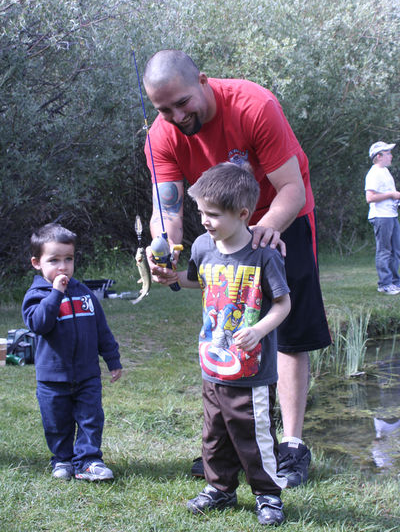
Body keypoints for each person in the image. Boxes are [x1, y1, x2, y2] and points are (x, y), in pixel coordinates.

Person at [143, 49, 331, 488]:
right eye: (163, 109)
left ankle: (292, 445)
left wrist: (263, 234)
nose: (175, 115)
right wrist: (166, 250)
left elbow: (291, 189)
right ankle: (238, 443)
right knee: (231, 326)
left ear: (203, 81)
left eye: (182, 103)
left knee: (287, 331)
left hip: (281, 216)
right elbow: (166, 210)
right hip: (224, 227)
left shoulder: (254, 105)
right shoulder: (161, 136)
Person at [162, 162, 290, 525]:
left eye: (213, 214)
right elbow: (195, 280)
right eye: (201, 211)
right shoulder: (203, 246)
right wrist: (173, 279)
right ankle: (220, 489)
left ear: (243, 214)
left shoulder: (263, 255)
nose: (203, 220)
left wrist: (260, 331)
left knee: (253, 435)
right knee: (214, 433)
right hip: (212, 364)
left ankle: (267, 495)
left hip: (251, 370)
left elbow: (284, 304)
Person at [22, 223, 122, 482]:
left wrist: (112, 360)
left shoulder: (84, 293)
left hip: (87, 375)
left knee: (91, 419)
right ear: (37, 263)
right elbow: (40, 323)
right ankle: (62, 459)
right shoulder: (36, 295)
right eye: (54, 260)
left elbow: (101, 330)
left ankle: (89, 461)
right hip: (52, 379)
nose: (63, 266)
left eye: (68, 259)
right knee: (57, 424)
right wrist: (56, 293)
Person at [365, 141, 400, 295]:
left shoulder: (385, 172)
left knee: (395, 251)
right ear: (378, 156)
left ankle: (395, 282)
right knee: (384, 251)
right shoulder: (374, 173)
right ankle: (384, 284)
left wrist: (395, 199)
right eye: (387, 153)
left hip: (391, 215)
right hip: (381, 217)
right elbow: (370, 197)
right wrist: (392, 195)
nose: (391, 156)